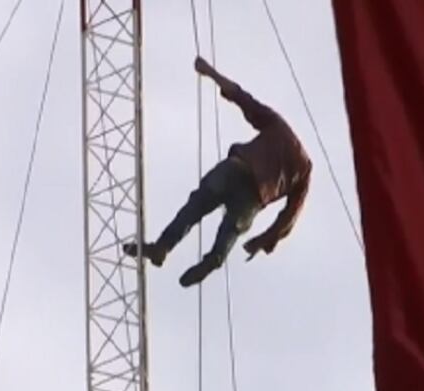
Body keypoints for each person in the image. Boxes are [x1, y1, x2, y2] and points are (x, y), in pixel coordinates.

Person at [124, 55, 312, 287]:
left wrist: (210, 72)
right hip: (253, 198)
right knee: (230, 230)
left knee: (196, 206)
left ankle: (163, 246)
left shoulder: (278, 126)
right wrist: (265, 240)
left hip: (236, 170)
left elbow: (243, 98)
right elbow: (290, 216)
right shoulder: (304, 170)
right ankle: (215, 258)